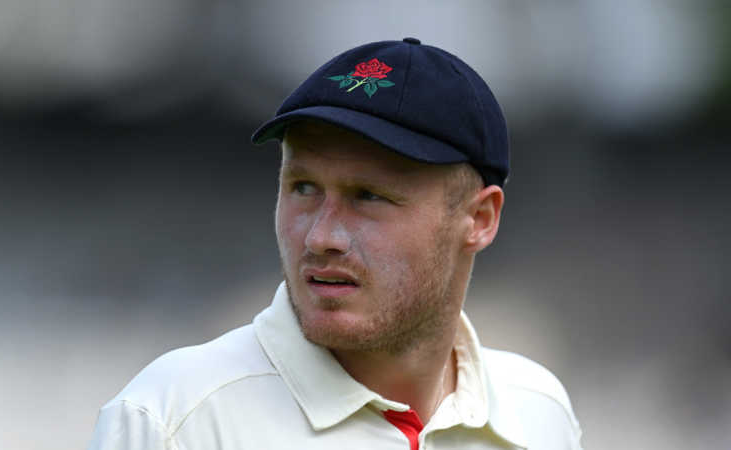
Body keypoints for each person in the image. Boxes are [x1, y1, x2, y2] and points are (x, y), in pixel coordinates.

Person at [88, 38, 583, 450]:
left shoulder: (537, 413)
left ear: (479, 219)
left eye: (369, 196)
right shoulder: (174, 420)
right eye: (303, 188)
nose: (321, 236)